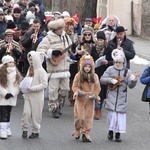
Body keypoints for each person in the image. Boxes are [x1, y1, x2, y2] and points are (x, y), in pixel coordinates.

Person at [36, 18, 77, 118]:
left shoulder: (66, 37)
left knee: (65, 89)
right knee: (53, 90)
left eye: (61, 28)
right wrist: (52, 52)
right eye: (59, 29)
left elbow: (69, 52)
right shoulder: (48, 38)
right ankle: (53, 108)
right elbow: (40, 50)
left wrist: (74, 48)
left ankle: (59, 105)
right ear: (54, 29)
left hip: (65, 68)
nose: (61, 30)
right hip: (54, 68)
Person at [100, 49, 138, 142]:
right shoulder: (110, 69)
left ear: (123, 62)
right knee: (112, 116)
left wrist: (133, 80)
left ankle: (118, 134)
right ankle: (110, 132)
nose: (117, 63)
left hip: (122, 97)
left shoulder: (127, 72)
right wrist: (110, 80)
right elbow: (102, 79)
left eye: (120, 62)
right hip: (111, 96)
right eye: (116, 61)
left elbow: (130, 86)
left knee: (120, 117)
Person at [72, 54, 100, 142]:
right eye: (85, 66)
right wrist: (78, 92)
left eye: (89, 66)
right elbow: (74, 86)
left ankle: (86, 133)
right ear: (82, 66)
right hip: (80, 99)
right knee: (79, 117)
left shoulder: (94, 76)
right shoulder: (78, 75)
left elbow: (97, 87)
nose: (87, 68)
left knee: (88, 118)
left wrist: (95, 94)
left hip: (90, 99)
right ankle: (77, 129)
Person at [20, 51, 47, 139]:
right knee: (26, 112)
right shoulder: (30, 69)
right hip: (28, 95)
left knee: (36, 114)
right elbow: (27, 80)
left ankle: (35, 130)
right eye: (30, 60)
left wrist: (33, 88)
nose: (31, 62)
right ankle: (25, 129)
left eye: (33, 60)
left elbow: (44, 84)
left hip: (37, 97)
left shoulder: (41, 71)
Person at [91, 31, 113, 120]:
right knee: (94, 90)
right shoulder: (93, 49)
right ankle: (95, 107)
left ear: (104, 40)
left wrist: (107, 62)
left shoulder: (109, 49)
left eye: (101, 40)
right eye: (98, 40)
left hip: (104, 72)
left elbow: (113, 61)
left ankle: (98, 108)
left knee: (102, 92)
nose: (100, 41)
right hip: (95, 72)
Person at [0, 55, 22, 139]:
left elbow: (18, 85)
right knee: (3, 112)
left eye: (13, 62)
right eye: (10, 62)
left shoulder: (16, 73)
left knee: (8, 112)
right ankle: (3, 129)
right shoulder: (1, 72)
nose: (12, 64)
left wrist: (13, 93)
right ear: (5, 63)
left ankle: (7, 127)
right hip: (2, 96)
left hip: (12, 96)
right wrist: (5, 93)